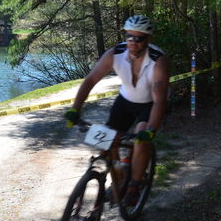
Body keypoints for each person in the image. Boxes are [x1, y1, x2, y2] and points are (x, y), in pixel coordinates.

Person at [64, 15, 170, 206]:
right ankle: (120, 175)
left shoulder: (157, 60)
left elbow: (160, 100)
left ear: (148, 39)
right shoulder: (115, 53)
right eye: (130, 37)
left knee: (140, 137)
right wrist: (75, 109)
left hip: (149, 104)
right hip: (125, 101)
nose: (133, 42)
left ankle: (134, 187)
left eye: (139, 38)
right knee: (105, 141)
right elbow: (90, 80)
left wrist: (151, 130)